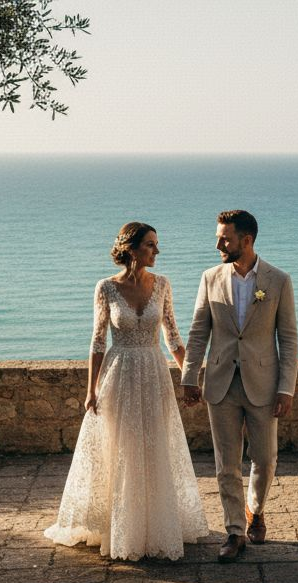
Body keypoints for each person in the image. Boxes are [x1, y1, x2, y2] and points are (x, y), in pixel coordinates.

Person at [44, 222, 209, 561]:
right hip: (118, 376)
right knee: (121, 448)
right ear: (132, 249)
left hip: (153, 373)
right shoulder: (105, 288)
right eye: (151, 245)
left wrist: (189, 376)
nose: (157, 251)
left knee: (154, 445)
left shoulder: (162, 285)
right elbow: (97, 341)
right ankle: (121, 525)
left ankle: (155, 523)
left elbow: (173, 337)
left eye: (156, 244)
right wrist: (90, 389)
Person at [182, 210, 298, 563]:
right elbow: (199, 331)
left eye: (225, 238)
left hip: (264, 384)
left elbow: (289, 338)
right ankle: (234, 531)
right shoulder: (210, 277)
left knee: (264, 458)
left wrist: (286, 387)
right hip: (220, 384)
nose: (218, 244)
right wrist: (189, 376)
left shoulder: (278, 280)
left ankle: (255, 510)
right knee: (226, 463)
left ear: (246, 240)